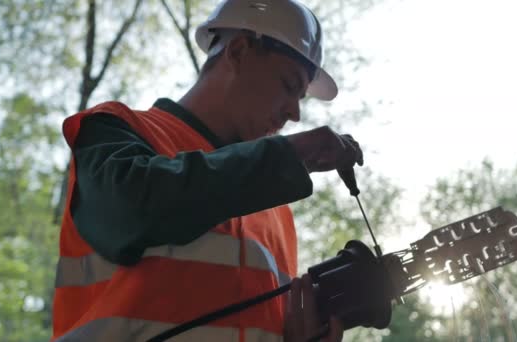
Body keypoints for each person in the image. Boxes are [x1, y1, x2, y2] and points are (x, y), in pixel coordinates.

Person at [51, 0, 363, 341]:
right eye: (289, 85)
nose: (295, 113)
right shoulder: (118, 130)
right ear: (240, 50)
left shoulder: (278, 214)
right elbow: (136, 207)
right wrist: (289, 154)